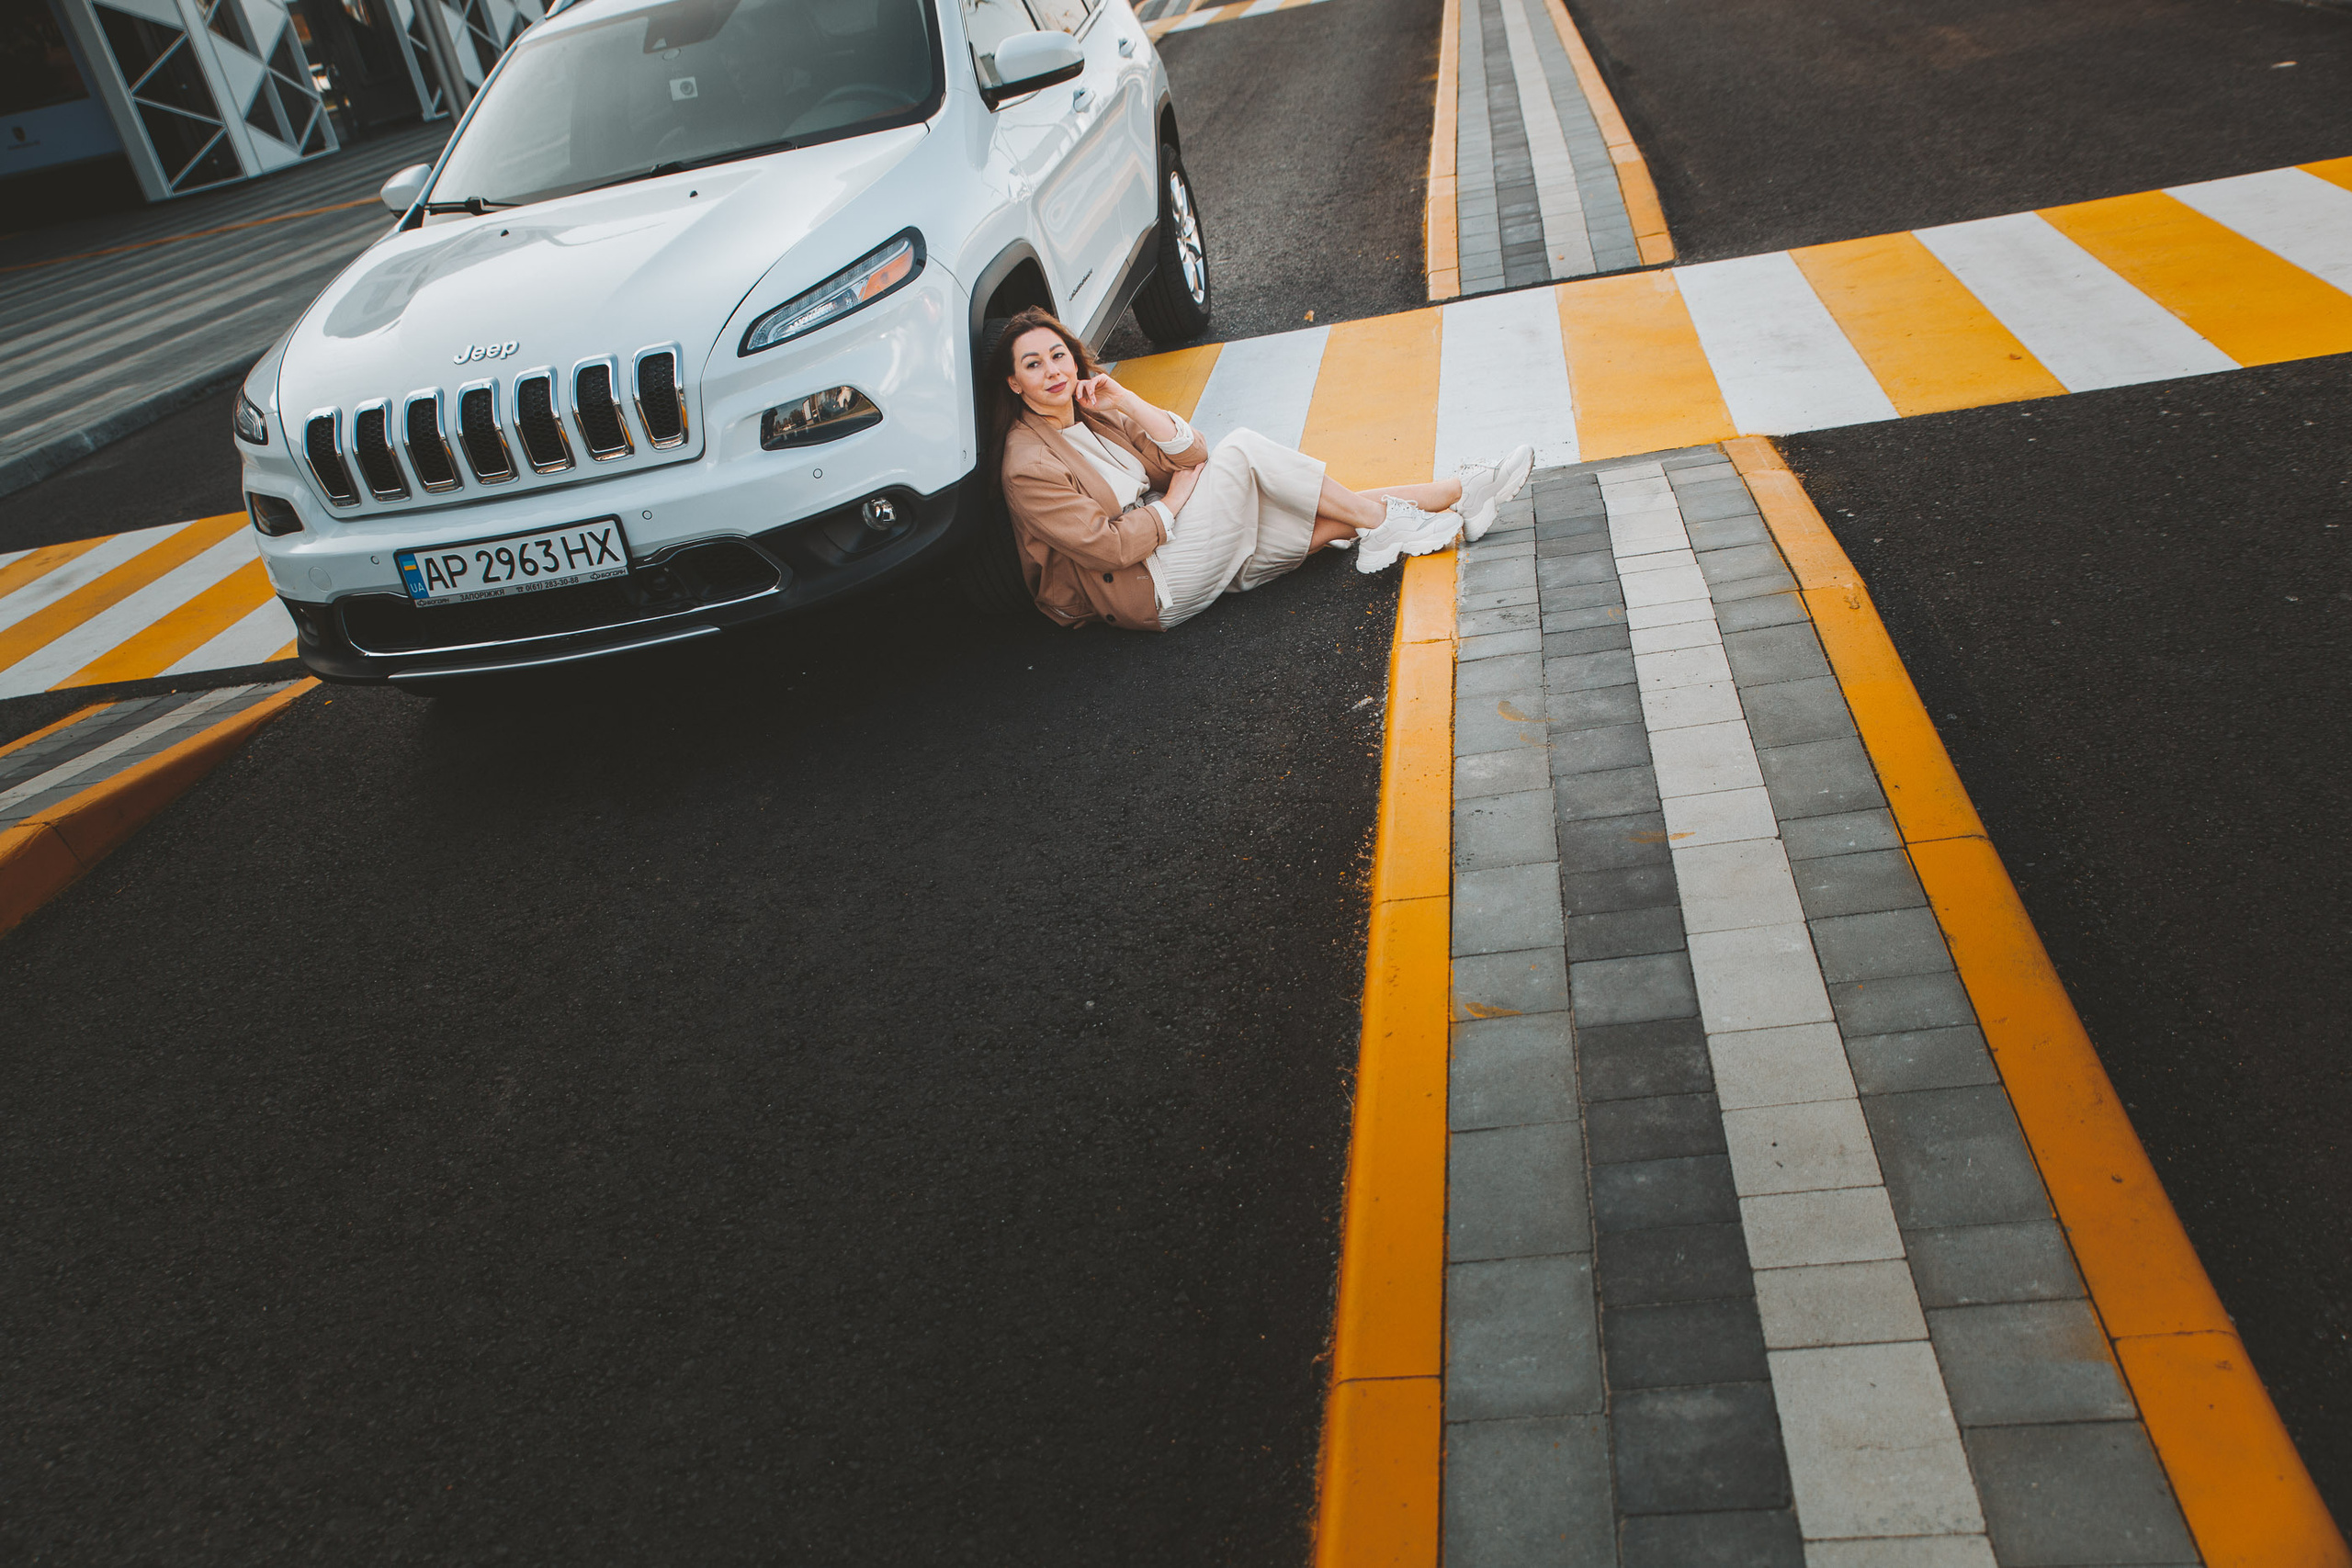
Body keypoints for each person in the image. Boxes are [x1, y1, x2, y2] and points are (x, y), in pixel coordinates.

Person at [987, 307, 1534, 632]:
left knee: (1325, 505)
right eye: (1032, 365)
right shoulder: (1026, 464)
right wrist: (1175, 502)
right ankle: (1396, 521)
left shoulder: (1096, 409)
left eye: (1058, 355)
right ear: (1015, 383)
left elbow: (1192, 455)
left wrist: (1126, 400)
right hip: (1146, 586)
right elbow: (1107, 548)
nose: (1052, 371)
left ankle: (1463, 500)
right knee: (1246, 448)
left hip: (1183, 550)